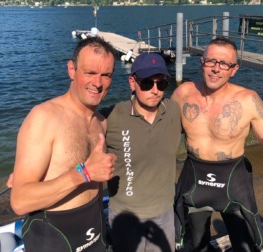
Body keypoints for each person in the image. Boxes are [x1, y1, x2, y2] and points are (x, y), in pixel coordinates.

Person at [172, 37, 263, 252]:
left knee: (246, 246)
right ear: (201, 62)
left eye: (224, 64)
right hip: (195, 177)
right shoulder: (182, 94)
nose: (216, 69)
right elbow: (161, 133)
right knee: (194, 246)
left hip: (233, 180)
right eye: (211, 61)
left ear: (234, 70)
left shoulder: (248, 100)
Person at [9, 36, 117, 252]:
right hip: (53, 240)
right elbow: (20, 201)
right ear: (71, 70)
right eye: (90, 73)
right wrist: (84, 172)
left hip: (95, 236)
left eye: (106, 75)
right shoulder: (44, 118)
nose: (97, 83)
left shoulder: (101, 122)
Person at [100, 53, 182, 252]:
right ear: (132, 82)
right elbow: (78, 136)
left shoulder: (173, 111)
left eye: (161, 84)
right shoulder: (111, 116)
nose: (155, 91)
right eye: (146, 83)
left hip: (164, 213)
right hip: (125, 217)